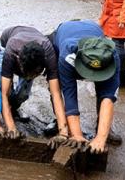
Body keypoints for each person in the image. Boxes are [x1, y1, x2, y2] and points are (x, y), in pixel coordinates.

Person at [49, 20, 120, 154]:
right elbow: (69, 94)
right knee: (56, 84)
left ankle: (104, 128)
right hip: (65, 32)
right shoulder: (67, 55)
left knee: (103, 90)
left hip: (93, 31)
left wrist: (100, 138)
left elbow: (109, 97)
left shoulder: (112, 56)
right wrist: (77, 135)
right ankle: (61, 122)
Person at [0, 26, 68, 139]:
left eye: (35, 74)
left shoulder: (48, 53)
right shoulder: (11, 52)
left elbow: (56, 94)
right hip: (6, 44)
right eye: (28, 74)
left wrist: (63, 132)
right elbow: (3, 93)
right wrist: (10, 128)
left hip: (33, 54)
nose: (31, 77)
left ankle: (12, 108)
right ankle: (9, 115)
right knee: (6, 90)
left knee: (23, 94)